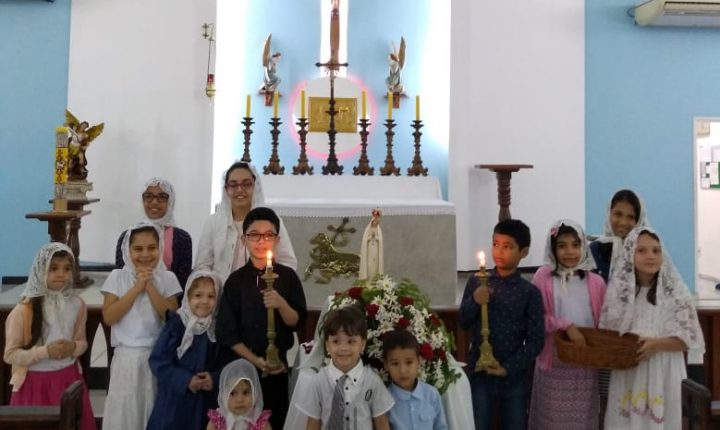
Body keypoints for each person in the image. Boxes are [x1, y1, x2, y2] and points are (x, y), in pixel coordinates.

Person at [600, 227, 704, 429]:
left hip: (664, 371)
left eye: (656, 251)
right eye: (642, 250)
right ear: (629, 255)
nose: (651, 256)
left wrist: (656, 344)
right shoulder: (620, 296)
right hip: (629, 371)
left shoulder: (676, 295)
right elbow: (609, 336)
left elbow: (687, 340)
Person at [216, 207, 307, 429]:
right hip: (243, 372)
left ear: (277, 239)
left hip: (278, 368)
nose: (261, 241)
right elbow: (227, 332)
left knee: (275, 419)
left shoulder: (288, 277)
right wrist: (256, 361)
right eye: (254, 235)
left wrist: (281, 303)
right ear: (243, 239)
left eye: (268, 235)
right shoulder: (235, 281)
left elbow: (297, 321)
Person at [458, 218, 544, 430]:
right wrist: (474, 301)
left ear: (524, 252)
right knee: (478, 423)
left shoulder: (528, 292)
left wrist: (508, 368)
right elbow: (463, 322)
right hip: (480, 373)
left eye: (508, 246)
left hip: (513, 377)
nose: (499, 251)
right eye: (495, 244)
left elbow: (536, 340)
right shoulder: (477, 281)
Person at [3, 243, 96, 430]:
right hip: (33, 384)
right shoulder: (24, 310)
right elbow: (10, 355)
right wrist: (45, 351)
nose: (61, 274)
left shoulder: (77, 304)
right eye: (53, 268)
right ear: (40, 270)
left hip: (68, 380)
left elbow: (82, 342)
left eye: (67, 269)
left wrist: (73, 347)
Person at [101, 222, 182, 430]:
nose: (145, 254)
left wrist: (150, 286)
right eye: (138, 249)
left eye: (152, 248)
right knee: (126, 414)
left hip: (158, 358)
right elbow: (109, 316)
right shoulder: (117, 277)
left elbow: (171, 317)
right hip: (126, 360)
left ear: (160, 248)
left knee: (154, 411)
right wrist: (137, 287)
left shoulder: (167, 277)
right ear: (127, 250)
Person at [527, 220, 607, 430]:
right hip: (553, 361)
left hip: (584, 362)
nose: (569, 251)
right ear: (553, 249)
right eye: (562, 246)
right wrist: (566, 326)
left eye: (575, 245)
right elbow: (535, 318)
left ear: (583, 247)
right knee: (552, 420)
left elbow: (603, 322)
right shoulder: (543, 277)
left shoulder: (596, 282)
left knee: (581, 420)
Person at [195, 161, 297, 282]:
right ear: (226, 189)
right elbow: (202, 265)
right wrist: (212, 287)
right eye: (233, 185)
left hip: (262, 289)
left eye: (246, 184)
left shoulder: (269, 220)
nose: (239, 190)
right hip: (221, 290)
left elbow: (288, 261)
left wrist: (270, 284)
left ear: (255, 186)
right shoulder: (213, 222)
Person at [147, 270, 224, 430]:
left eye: (211, 296)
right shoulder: (176, 325)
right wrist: (185, 380)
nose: (204, 301)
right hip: (174, 401)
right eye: (198, 295)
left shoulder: (218, 330)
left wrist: (214, 379)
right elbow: (159, 361)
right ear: (188, 297)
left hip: (206, 403)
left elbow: (226, 363)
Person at [296, 306, 394, 430]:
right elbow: (313, 424)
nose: (343, 348)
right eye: (336, 341)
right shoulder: (318, 382)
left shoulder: (373, 382)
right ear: (327, 345)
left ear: (362, 344)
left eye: (351, 341)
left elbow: (382, 423)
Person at [116, 177, 193, 290]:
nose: (154, 202)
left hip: (168, 298)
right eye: (148, 196)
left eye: (162, 197)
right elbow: (120, 279)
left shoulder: (182, 238)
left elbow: (182, 284)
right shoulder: (127, 236)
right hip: (132, 296)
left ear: (171, 201)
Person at [382, 329, 448, 430]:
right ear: (386, 365)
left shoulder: (432, 395)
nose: (403, 370)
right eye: (395, 363)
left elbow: (441, 427)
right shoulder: (385, 400)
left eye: (409, 362)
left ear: (419, 361)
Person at [589, 189, 647, 282]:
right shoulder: (595, 250)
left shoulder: (646, 251)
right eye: (618, 214)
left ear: (638, 221)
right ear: (609, 214)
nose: (623, 222)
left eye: (631, 217)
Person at [207, 358, 272, 430]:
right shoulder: (216, 422)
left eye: (245, 393)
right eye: (232, 393)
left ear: (255, 393)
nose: (240, 400)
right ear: (224, 395)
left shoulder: (261, 423)